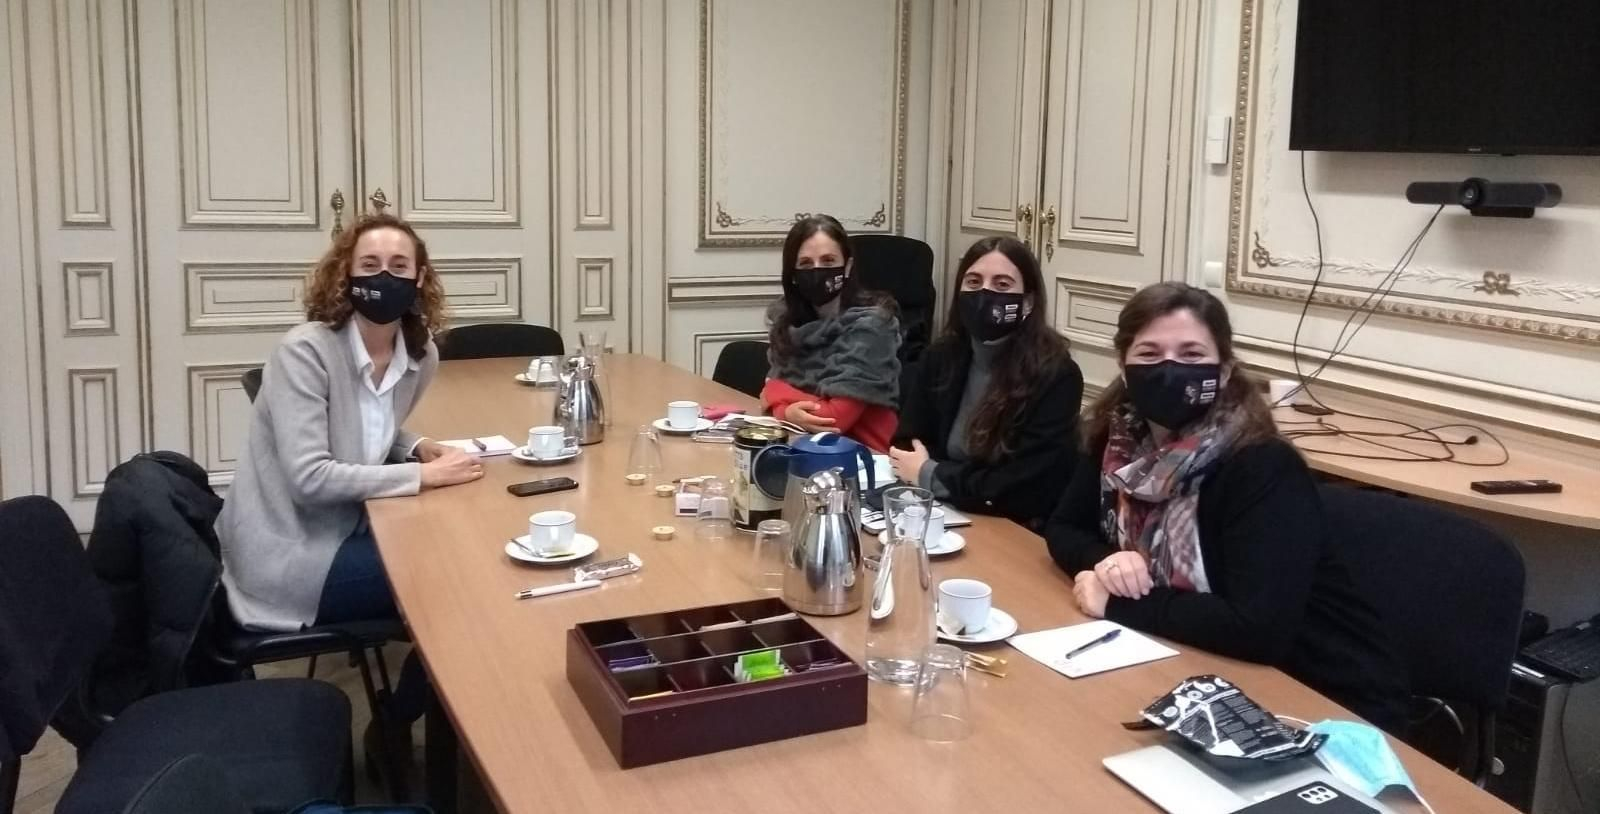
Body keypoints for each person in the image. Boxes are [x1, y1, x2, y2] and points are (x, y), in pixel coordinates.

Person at [1043, 282, 1408, 732]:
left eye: (1192, 355)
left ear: (1227, 368)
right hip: (1188, 661)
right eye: (1150, 354)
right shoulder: (1118, 439)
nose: (1170, 369)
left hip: (1316, 696)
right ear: (1123, 365)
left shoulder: (1260, 465)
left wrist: (1118, 604)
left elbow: (1257, 629)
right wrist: (1110, 564)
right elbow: (1061, 526)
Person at [216, 214, 483, 746]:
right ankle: (401, 725)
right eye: (370, 265)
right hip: (293, 553)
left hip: (352, 524)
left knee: (468, 557)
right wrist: (422, 475)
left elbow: (369, 426)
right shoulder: (306, 351)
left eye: (398, 266)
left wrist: (412, 444)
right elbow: (310, 478)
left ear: (420, 278)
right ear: (345, 274)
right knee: (462, 592)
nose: (383, 277)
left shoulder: (418, 352)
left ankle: (419, 715)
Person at [890, 237, 1082, 531]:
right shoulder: (941, 356)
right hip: (941, 511)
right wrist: (944, 480)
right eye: (973, 282)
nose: (985, 294)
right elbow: (906, 446)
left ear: (1028, 302)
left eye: (1002, 285)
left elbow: (1021, 488)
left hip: (1014, 526)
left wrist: (932, 473)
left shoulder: (1057, 375)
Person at [761, 215, 902, 451]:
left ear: (846, 266)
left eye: (828, 261)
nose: (817, 271)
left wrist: (773, 392)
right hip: (806, 449)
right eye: (806, 264)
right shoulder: (787, 322)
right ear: (793, 274)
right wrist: (785, 412)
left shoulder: (872, 326)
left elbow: (832, 420)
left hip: (867, 458)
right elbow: (778, 410)